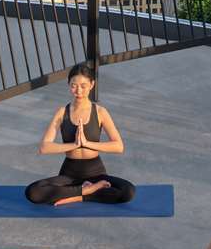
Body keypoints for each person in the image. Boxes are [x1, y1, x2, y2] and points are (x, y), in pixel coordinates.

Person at [24, 62, 136, 206]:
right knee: (33, 192)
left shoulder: (100, 112)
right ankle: (86, 191)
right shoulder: (61, 112)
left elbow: (119, 146)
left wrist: (87, 144)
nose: (79, 91)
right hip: (69, 174)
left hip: (95, 172)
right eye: (74, 85)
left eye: (83, 86)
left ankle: (80, 195)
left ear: (92, 84)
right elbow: (44, 147)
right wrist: (74, 145)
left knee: (128, 191)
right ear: (68, 85)